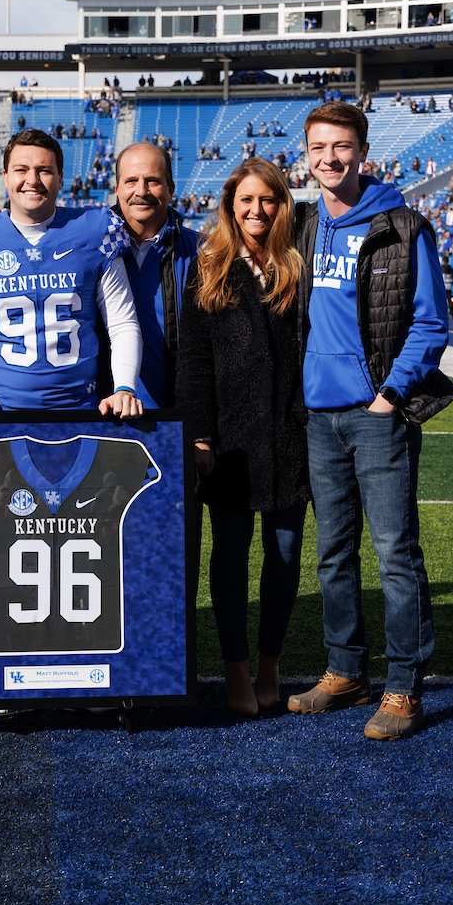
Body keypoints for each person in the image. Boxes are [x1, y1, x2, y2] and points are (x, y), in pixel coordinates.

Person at [289, 102, 453, 740]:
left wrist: (389, 395)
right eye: (318, 147)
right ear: (305, 154)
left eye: (341, 146)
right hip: (317, 416)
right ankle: (345, 671)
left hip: (375, 415)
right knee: (332, 554)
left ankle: (405, 688)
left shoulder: (402, 224)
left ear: (363, 151)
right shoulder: (302, 224)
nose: (329, 158)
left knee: (394, 552)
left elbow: (430, 322)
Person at [176, 158, 309, 716]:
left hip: (290, 435)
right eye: (245, 200)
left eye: (268, 200)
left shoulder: (298, 267)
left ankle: (269, 668)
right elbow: (194, 363)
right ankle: (234, 670)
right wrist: (200, 435)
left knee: (283, 558)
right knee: (229, 560)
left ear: (282, 205)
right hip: (228, 442)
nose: (256, 210)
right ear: (231, 205)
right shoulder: (208, 268)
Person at [0, 128, 143, 419]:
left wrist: (124, 388)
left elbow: (122, 323)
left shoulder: (95, 231)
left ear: (60, 178)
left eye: (44, 170)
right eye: (21, 169)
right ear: (5, 176)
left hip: (80, 410)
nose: (32, 180)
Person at [113, 142, 200, 407]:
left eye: (152, 181)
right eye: (131, 181)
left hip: (179, 418)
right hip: (106, 417)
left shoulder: (206, 253)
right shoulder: (92, 250)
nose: (141, 191)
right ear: (117, 190)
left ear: (171, 190)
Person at [441, 253, 453, 319]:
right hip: (449, 286)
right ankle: (451, 314)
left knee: (442, 300)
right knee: (450, 300)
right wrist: (451, 283)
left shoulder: (441, 268)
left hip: (442, 286)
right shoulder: (451, 269)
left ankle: (442, 314)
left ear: (443, 261)